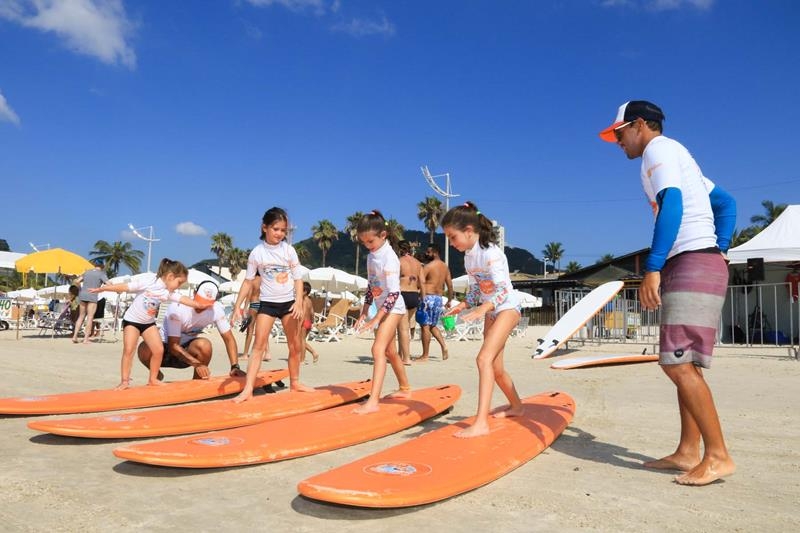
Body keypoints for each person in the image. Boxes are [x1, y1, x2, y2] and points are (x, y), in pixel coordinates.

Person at [599, 100, 737, 486]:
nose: (618, 142)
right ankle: (688, 451)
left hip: (692, 260)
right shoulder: (678, 155)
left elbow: (672, 204)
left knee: (675, 363)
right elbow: (726, 202)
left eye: (620, 133)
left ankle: (718, 456)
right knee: (684, 363)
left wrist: (654, 267)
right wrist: (720, 247)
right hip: (697, 258)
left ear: (640, 125)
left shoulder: (659, 149)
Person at [441, 202, 523, 438]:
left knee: (482, 359)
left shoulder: (492, 253)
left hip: (507, 308)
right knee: (495, 368)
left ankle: (481, 423)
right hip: (492, 310)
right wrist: (464, 305)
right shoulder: (469, 257)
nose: (451, 242)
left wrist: (483, 308)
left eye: (452, 237)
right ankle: (517, 406)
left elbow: (502, 290)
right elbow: (477, 289)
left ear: (469, 230)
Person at [231, 207, 312, 402]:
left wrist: (299, 302)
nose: (280, 234)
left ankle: (295, 382)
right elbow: (248, 281)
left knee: (294, 346)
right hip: (267, 304)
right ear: (264, 227)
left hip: (288, 305)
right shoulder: (257, 253)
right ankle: (248, 389)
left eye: (283, 230)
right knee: (258, 347)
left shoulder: (288, 250)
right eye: (276, 229)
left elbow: (298, 278)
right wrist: (237, 306)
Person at [90, 258, 208, 390]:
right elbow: (126, 287)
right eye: (179, 282)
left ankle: (153, 379)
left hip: (148, 324)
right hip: (132, 321)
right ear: (170, 276)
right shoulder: (149, 281)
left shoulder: (167, 292)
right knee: (129, 350)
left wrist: (198, 304)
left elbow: (182, 299)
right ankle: (124, 381)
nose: (179, 286)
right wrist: (105, 289)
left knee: (158, 350)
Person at [352, 210, 412, 414]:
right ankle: (405, 387)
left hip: (393, 308)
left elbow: (394, 293)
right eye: (364, 242)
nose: (368, 245)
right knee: (389, 351)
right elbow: (372, 285)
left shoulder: (389, 258)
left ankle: (373, 401)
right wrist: (364, 311)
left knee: (377, 350)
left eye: (371, 241)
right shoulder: (371, 257)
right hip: (381, 307)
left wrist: (377, 317)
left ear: (383, 235)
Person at [137, 280, 246, 380]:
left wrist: (234, 366)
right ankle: (156, 375)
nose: (201, 306)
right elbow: (173, 346)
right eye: (200, 300)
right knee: (144, 348)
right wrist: (196, 364)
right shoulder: (178, 307)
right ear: (194, 293)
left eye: (207, 303)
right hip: (163, 350)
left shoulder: (216, 310)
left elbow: (229, 339)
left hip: (186, 351)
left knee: (205, 345)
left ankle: (197, 381)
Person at [415, 243, 453, 361]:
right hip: (438, 298)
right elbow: (450, 285)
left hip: (427, 297)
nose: (426, 254)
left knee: (424, 326)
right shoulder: (445, 267)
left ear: (435, 253)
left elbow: (419, 283)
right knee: (432, 326)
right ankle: (444, 346)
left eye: (429, 252)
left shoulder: (428, 266)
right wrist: (450, 299)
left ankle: (425, 355)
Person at [397, 240, 424, 365]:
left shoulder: (399, 261)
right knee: (405, 327)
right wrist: (422, 299)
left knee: (402, 329)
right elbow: (422, 282)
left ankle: (406, 358)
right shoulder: (418, 263)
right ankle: (400, 354)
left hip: (402, 294)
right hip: (414, 295)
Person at [72, 259, 109, 343]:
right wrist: (100, 289)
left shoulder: (87, 272)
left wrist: (81, 289)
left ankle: (75, 336)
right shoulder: (101, 274)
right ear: (102, 266)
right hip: (92, 295)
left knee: (81, 316)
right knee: (90, 317)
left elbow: (76, 281)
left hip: (82, 295)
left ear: (94, 265)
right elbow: (109, 284)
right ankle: (86, 339)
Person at [239, 272, 271, 361]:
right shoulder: (266, 280)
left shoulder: (253, 280)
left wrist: (245, 308)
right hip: (264, 304)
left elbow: (248, 295)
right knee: (263, 330)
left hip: (254, 304)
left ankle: (245, 354)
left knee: (250, 329)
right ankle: (267, 353)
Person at [298, 281, 319, 364]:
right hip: (309, 322)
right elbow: (312, 312)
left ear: (305, 291)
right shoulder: (309, 300)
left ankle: (303, 359)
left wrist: (300, 323)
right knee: (302, 341)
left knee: (302, 341)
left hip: (304, 322)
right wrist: (312, 322)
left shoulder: (303, 301)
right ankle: (310, 354)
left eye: (300, 290)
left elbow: (303, 313)